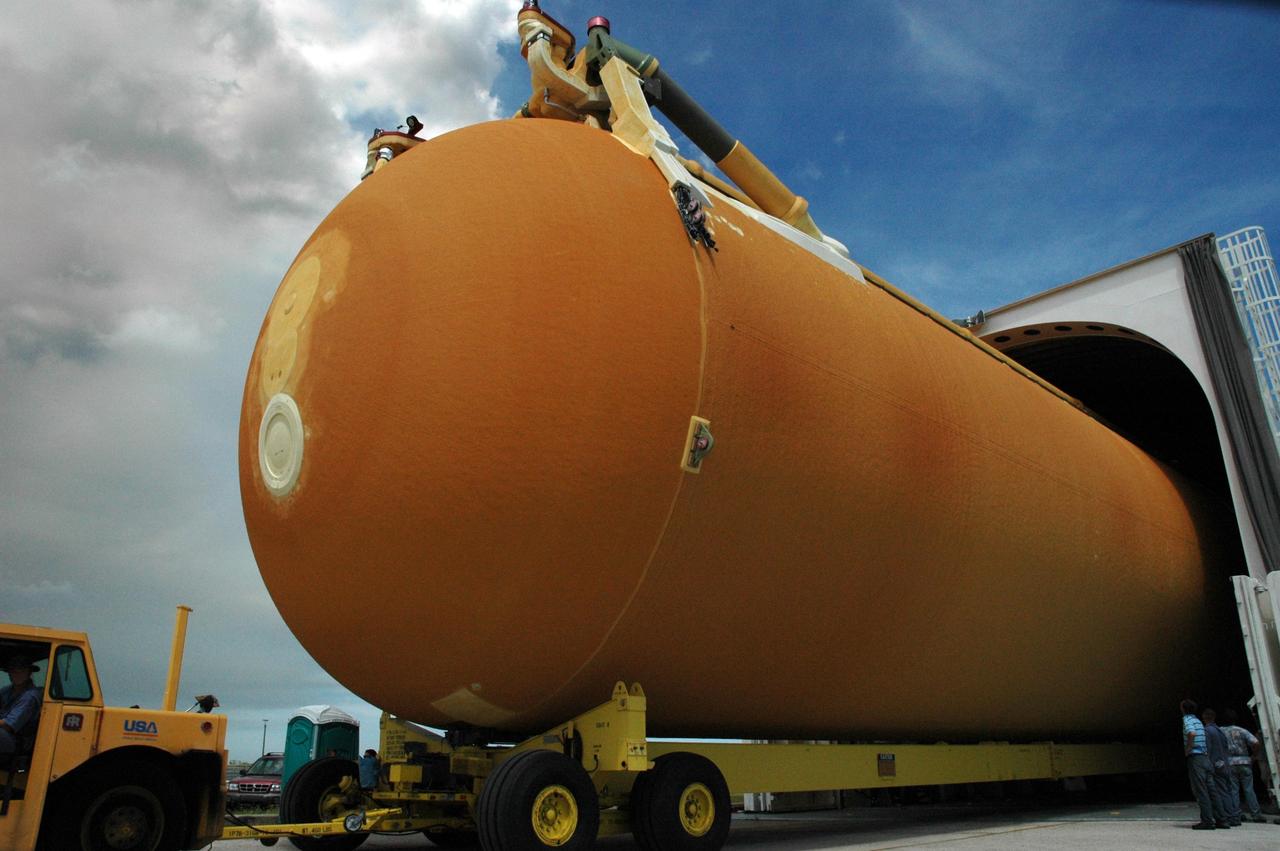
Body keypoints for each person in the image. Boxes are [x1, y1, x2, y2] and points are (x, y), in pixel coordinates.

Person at [1181, 699, 1219, 829]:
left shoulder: (1187, 719)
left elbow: (1191, 733)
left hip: (1196, 757)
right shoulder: (1198, 721)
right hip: (1205, 757)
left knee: (1201, 790)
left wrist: (1188, 748)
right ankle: (1221, 819)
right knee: (1212, 790)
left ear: (1183, 709)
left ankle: (1207, 821)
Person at [1221, 708, 1263, 822]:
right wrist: (1254, 756)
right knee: (1249, 789)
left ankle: (1237, 814)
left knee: (1233, 790)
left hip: (1229, 762)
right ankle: (1256, 814)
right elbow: (1256, 742)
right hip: (1244, 761)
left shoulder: (1221, 731)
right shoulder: (1242, 730)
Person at [0, 656, 43, 756]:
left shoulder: (30, 696)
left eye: (21, 671)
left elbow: (8, 726)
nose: (17, 674)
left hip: (17, 740)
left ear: (29, 673)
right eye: (14, 671)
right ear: (9, 673)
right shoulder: (6, 690)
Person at [1202, 708, 1238, 827]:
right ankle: (1234, 815)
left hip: (1216, 765)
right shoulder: (1220, 731)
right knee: (1227, 790)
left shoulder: (1207, 731)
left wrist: (1207, 764)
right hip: (1225, 763)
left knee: (1220, 791)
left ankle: (1228, 817)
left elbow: (1207, 749)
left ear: (1204, 718)